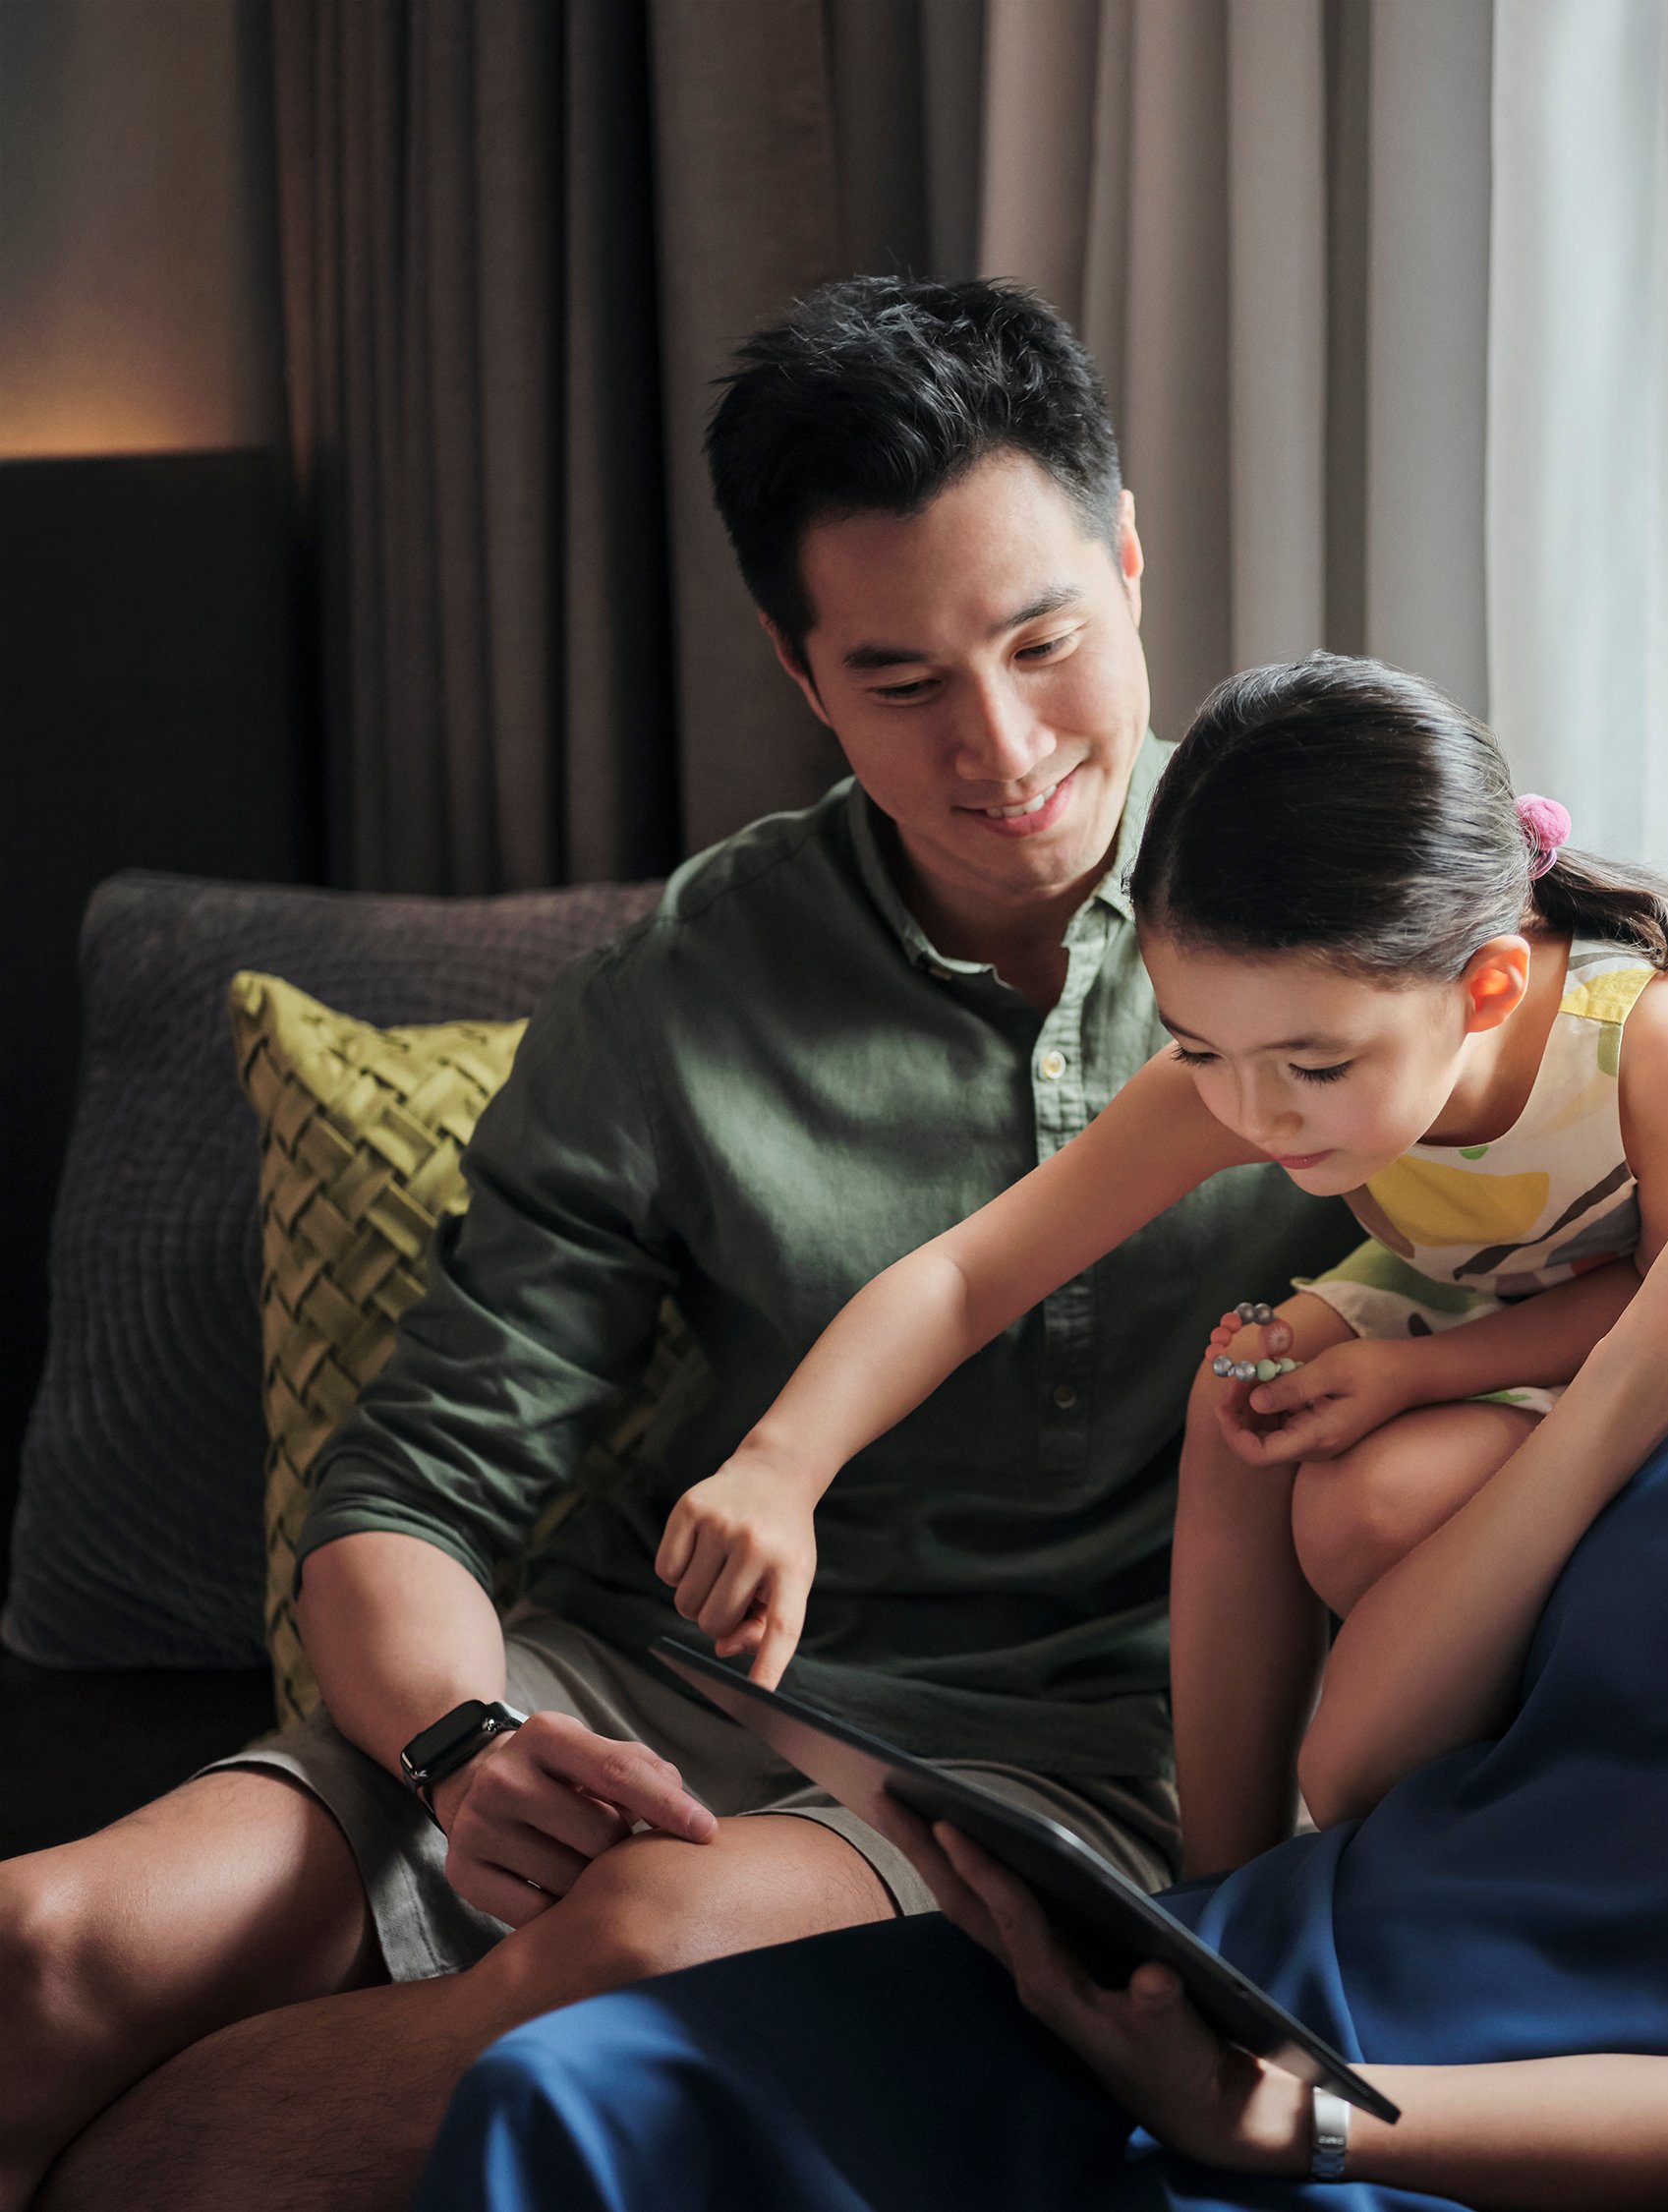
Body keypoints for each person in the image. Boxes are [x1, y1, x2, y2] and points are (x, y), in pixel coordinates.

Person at [412, 695, 1668, 2211]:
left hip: (1422, 2138)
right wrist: (1663, 1346)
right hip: (1237, 1979)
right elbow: (1361, 1766)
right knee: (571, 2103)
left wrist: (1313, 2136)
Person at [0, 278, 1363, 2212]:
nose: (1000, 746)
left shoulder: (1337, 922)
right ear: (800, 672)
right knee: (44, 1952)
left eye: (1046, 641)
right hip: (646, 1684)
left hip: (1071, 1764)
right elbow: (412, 1491)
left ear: (1131, 568)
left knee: (646, 1941)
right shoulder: (680, 990)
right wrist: (469, 1750)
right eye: (899, 682)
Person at [656, 651, 1668, 1874]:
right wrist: (782, 1464)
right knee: (1243, 1392)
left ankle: (1415, 1864)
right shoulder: (1253, 1073)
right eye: (1199, 1049)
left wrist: (1426, 1374)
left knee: (1373, 1506)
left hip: (1657, 1375)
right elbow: (971, 1276)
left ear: (1488, 987)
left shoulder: (1662, 1047)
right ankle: (1219, 1881)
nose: (1257, 1118)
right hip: (1487, 1308)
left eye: (1315, 1069)